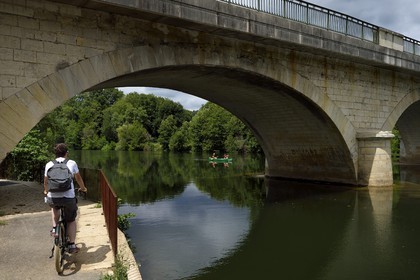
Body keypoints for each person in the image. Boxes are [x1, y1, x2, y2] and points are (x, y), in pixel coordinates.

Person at [43, 143, 87, 253]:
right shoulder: (71, 163)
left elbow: (46, 181)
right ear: (66, 153)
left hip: (53, 197)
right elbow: (78, 178)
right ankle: (72, 245)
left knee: (54, 208)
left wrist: (46, 190)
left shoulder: (49, 164)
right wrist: (83, 188)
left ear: (55, 153)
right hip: (68, 197)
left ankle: (54, 228)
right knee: (71, 220)